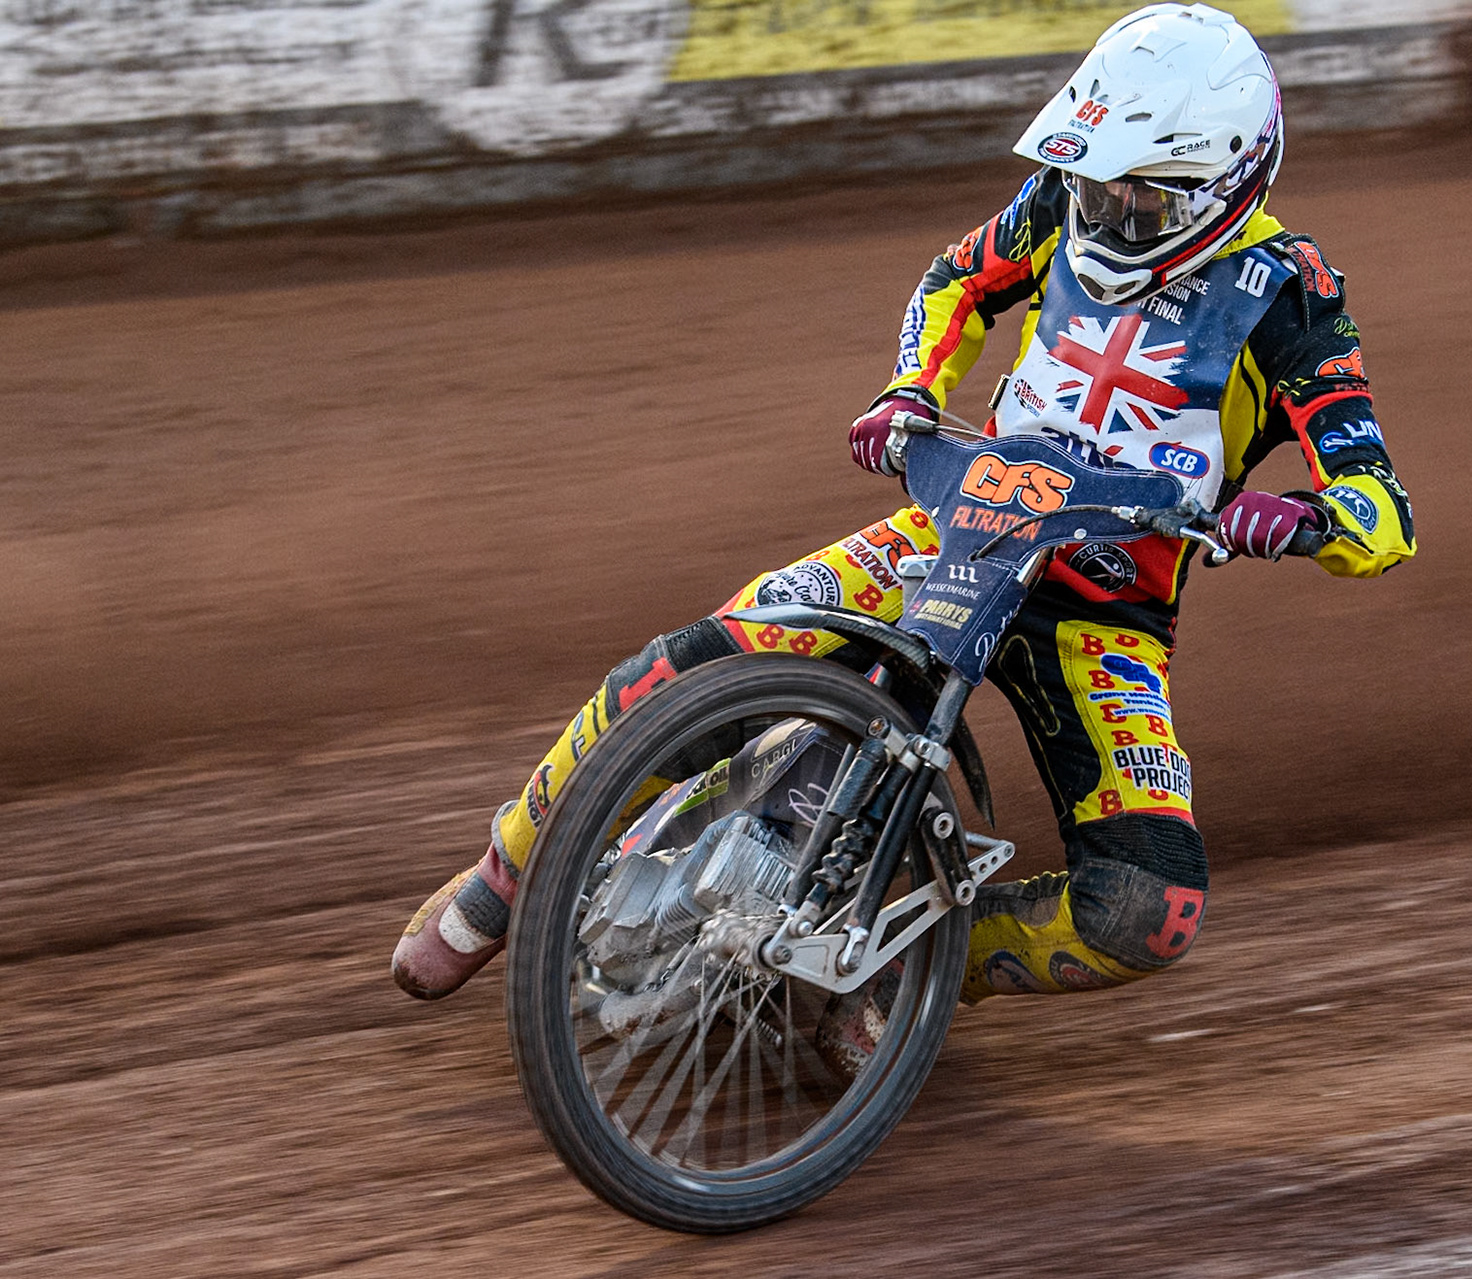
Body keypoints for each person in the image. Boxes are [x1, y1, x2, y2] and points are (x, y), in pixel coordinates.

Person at [392, 1, 1414, 1011]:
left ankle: (904, 975)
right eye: (1093, 186)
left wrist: (1303, 520)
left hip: (1105, 609)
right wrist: (910, 390)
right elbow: (958, 280)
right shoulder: (1062, 200)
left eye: (1136, 199)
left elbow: (1383, 507)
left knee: (1148, 910)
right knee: (684, 665)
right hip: (964, 524)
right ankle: (498, 883)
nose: (1103, 213)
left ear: (1226, 177)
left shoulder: (1293, 294)